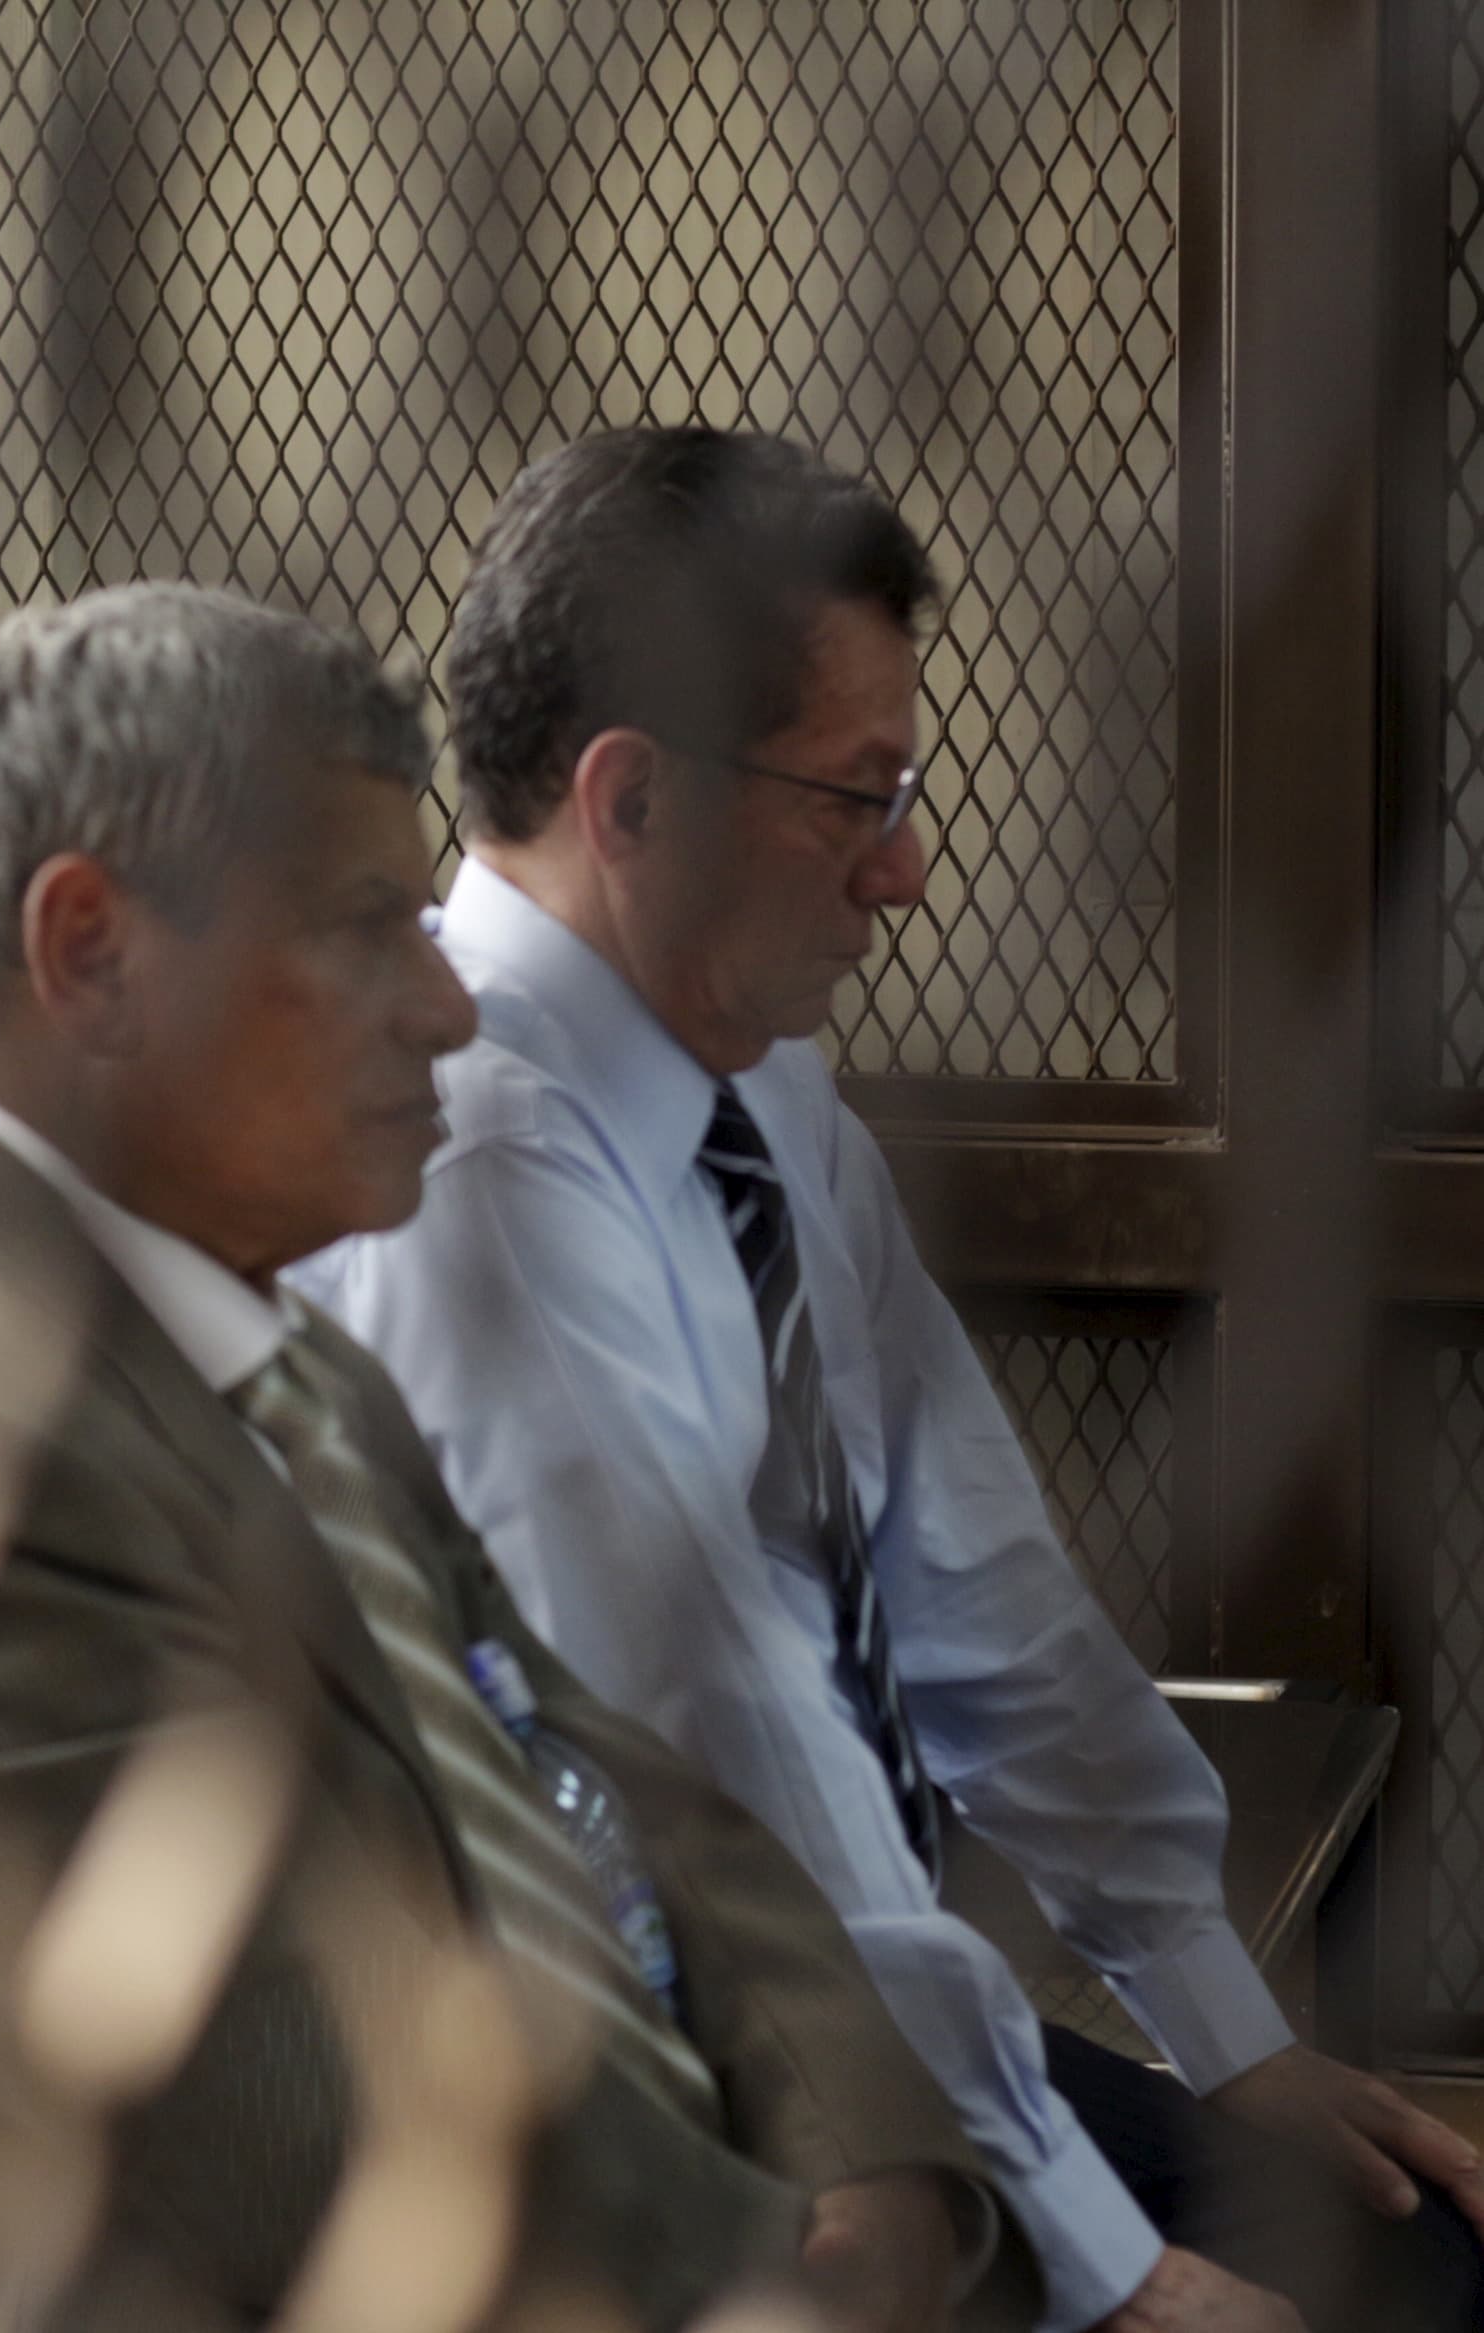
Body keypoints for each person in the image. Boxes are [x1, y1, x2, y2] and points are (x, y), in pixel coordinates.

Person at [0, 582, 1037, 2332]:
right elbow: (306, 2146)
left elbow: (620, 1780)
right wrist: (790, 2267)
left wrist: (875, 2159)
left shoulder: (262, 1345)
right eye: (365, 928)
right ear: (91, 951)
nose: (448, 1012)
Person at [295, 426, 1484, 2333]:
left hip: (833, 2022)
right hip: (569, 2085)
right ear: (635, 800)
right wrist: (1113, 2274)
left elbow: (976, 1585)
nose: (911, 872)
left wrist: (1228, 2039)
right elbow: (726, 1773)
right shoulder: (465, 1163)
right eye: (863, 798)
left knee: (1422, 2254)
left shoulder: (758, 1083)